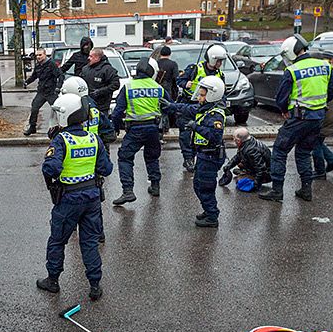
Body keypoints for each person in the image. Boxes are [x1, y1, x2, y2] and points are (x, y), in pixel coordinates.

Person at [36, 93, 113, 300]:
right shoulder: (93, 138)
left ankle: (52, 281)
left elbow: (50, 168)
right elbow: (106, 169)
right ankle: (95, 285)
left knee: (57, 241)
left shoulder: (61, 140)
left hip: (69, 199)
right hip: (92, 199)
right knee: (89, 242)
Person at [259, 35, 333, 202]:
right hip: (317, 118)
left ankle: (277, 190)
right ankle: (306, 189)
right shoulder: (325, 65)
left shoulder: (293, 70)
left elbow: (281, 97)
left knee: (280, 152)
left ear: (291, 53)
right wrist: (320, 103)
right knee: (303, 153)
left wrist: (284, 110)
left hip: (298, 118)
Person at [163, 76, 227, 227]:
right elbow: (186, 108)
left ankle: (212, 217)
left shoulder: (215, 114)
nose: (199, 97)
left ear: (212, 94)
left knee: (205, 186)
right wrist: (171, 105)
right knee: (198, 185)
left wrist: (196, 127)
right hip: (204, 154)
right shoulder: (205, 108)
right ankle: (208, 209)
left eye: (202, 94)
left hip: (211, 155)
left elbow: (215, 136)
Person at [111, 58, 163, 205]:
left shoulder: (128, 87)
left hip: (135, 129)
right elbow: (169, 106)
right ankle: (155, 186)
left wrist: (115, 129)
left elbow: (117, 113)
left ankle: (128, 191)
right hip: (153, 129)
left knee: (125, 157)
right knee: (152, 157)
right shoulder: (158, 87)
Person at [176, 45, 227, 172]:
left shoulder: (220, 74)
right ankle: (188, 159)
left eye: (221, 61)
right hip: (190, 103)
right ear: (212, 59)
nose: (220, 64)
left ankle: (198, 157)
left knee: (201, 133)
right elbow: (179, 80)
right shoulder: (194, 69)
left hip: (207, 107)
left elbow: (222, 92)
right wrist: (185, 83)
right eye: (218, 61)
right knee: (186, 134)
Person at [81, 48, 121, 145]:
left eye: (91, 56)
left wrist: (100, 91)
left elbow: (116, 84)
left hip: (102, 107)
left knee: (103, 134)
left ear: (98, 58)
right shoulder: (85, 69)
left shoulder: (108, 70)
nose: (88, 58)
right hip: (87, 107)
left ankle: (104, 153)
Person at [23, 48, 63, 136]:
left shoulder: (51, 64)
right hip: (41, 91)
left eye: (40, 55)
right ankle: (32, 127)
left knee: (58, 110)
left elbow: (60, 76)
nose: (38, 57)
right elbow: (34, 76)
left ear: (45, 55)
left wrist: (58, 87)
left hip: (51, 92)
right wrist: (26, 82)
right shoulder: (38, 65)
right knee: (34, 108)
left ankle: (62, 127)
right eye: (37, 55)